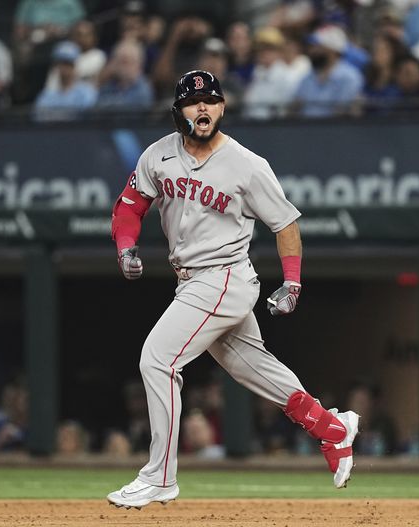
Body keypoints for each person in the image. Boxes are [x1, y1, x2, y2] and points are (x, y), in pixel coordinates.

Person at [105, 69, 360, 510]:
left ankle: (160, 477)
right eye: (193, 101)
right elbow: (129, 207)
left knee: (158, 361)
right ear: (178, 111)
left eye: (211, 100)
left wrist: (293, 281)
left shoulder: (246, 164)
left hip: (223, 276)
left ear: (222, 108)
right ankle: (332, 428)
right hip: (192, 279)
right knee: (253, 367)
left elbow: (285, 224)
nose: (203, 107)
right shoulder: (157, 155)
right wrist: (126, 247)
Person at [292, 24, 364, 118]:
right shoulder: (308, 77)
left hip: (335, 130)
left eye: (317, 47)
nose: (311, 51)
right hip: (304, 129)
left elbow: (341, 113)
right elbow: (295, 107)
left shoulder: (350, 77)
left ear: (331, 50)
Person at [242, 26, 302, 119]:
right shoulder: (257, 73)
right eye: (260, 48)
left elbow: (287, 111)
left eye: (269, 48)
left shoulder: (287, 76)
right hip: (252, 126)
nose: (263, 53)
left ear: (279, 51)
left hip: (275, 128)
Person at [32, 40, 97, 121]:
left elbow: (88, 117)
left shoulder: (86, 91)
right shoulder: (46, 95)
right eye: (61, 63)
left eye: (68, 64)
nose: (64, 68)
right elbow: (39, 119)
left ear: (74, 65)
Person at [45, 20, 106, 91]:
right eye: (79, 35)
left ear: (94, 37)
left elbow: (74, 74)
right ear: (72, 37)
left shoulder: (98, 55)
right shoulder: (64, 57)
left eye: (87, 35)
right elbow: (51, 87)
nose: (83, 39)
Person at [95, 39, 153, 111]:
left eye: (126, 62)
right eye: (118, 61)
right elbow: (97, 110)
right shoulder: (108, 87)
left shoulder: (143, 88)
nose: (122, 67)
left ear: (139, 64)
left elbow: (129, 112)